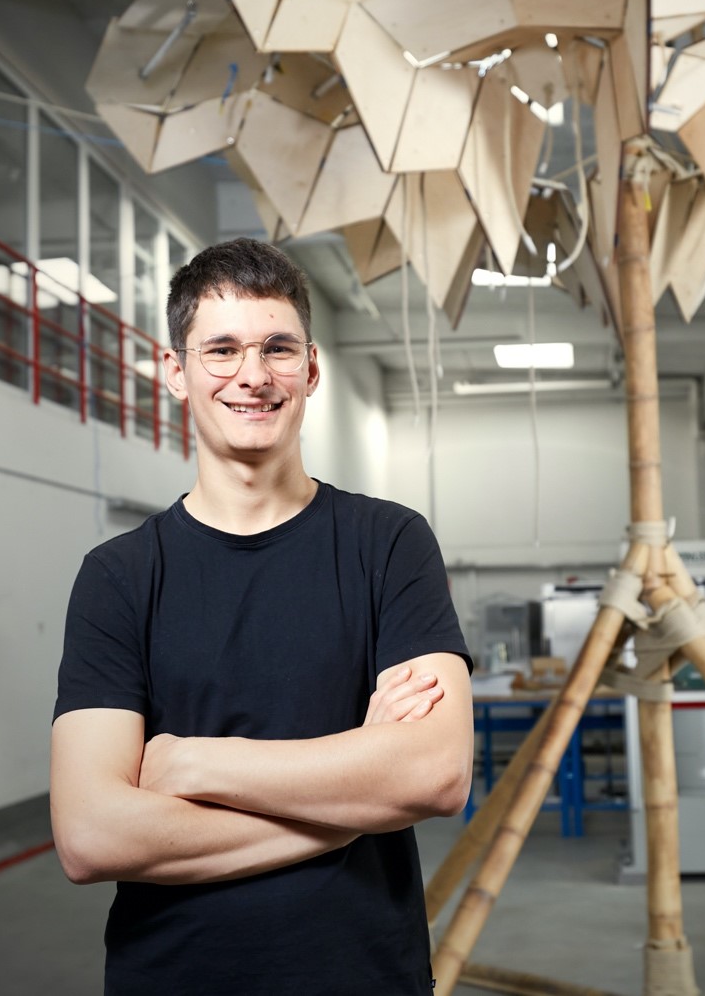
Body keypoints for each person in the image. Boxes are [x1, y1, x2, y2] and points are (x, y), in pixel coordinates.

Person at [50, 238, 473, 995]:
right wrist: (355, 799)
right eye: (222, 350)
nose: (253, 374)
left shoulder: (388, 543)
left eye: (277, 348)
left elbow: (434, 774)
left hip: (364, 977)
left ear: (310, 369)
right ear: (175, 372)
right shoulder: (119, 577)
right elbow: (90, 835)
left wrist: (196, 763)